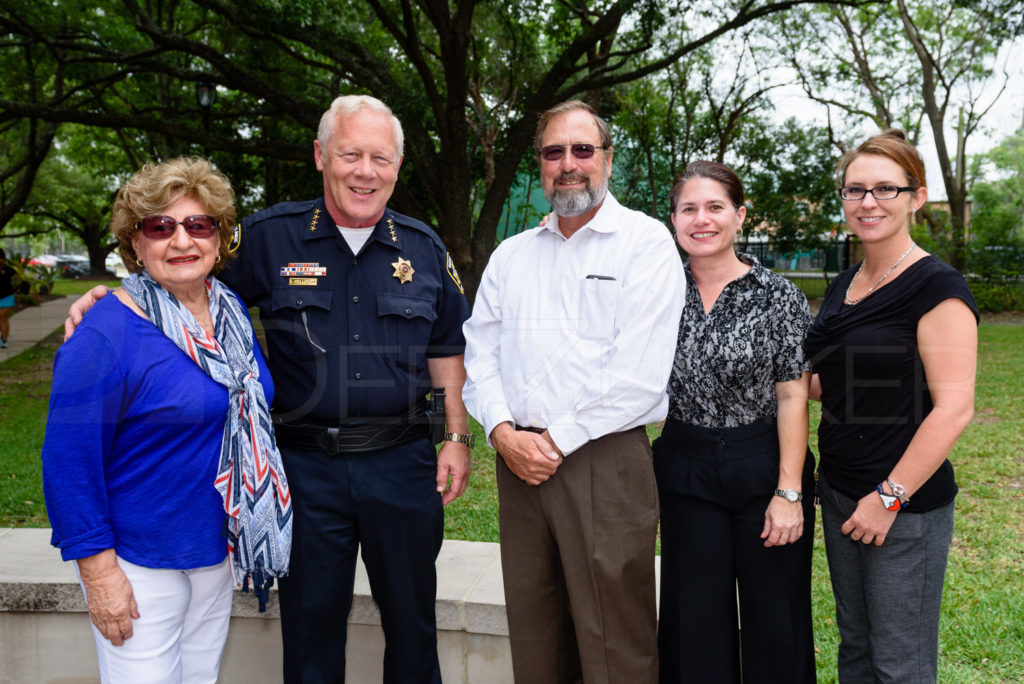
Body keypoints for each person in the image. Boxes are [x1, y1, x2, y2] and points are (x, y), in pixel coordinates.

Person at [67, 95, 472, 683]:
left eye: (380, 158)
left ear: (397, 166)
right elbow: (180, 273)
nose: (365, 171)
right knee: (310, 631)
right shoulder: (269, 239)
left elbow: (445, 347)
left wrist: (455, 436)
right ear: (320, 156)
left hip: (402, 466)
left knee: (413, 627)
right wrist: (109, 297)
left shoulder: (423, 246)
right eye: (350, 154)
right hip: (305, 471)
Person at [43, 157, 291, 683]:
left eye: (199, 225)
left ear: (219, 239)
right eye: (161, 226)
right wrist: (99, 573)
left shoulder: (231, 315)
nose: (182, 241)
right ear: (135, 243)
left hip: (216, 550)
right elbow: (68, 464)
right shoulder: (104, 333)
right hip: (138, 561)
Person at [462, 99, 685, 683]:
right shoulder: (511, 256)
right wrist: (501, 431)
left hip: (603, 461)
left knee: (615, 642)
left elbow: (639, 374)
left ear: (607, 160)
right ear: (540, 165)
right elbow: (479, 354)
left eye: (583, 150)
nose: (569, 163)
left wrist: (553, 441)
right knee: (537, 638)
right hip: (518, 464)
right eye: (554, 151)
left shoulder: (645, 243)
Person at [805, 129, 978, 683]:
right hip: (838, 491)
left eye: (885, 189)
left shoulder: (938, 287)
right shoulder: (847, 282)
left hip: (902, 505)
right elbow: (830, 382)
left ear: (916, 197)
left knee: (899, 663)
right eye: (855, 190)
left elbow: (954, 408)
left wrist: (888, 497)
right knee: (855, 647)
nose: (868, 202)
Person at [653, 161, 816, 683]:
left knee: (775, 618)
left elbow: (794, 396)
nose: (702, 219)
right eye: (689, 209)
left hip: (764, 464)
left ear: (739, 216)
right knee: (693, 619)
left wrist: (789, 493)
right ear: (674, 219)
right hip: (684, 465)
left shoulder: (779, 296)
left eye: (715, 207)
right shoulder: (652, 292)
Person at [0, 247, 14, 348]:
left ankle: (4, 340)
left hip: (7, 296)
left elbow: (13, 274)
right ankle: (3, 336)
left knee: (3, 317)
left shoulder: (8, 270)